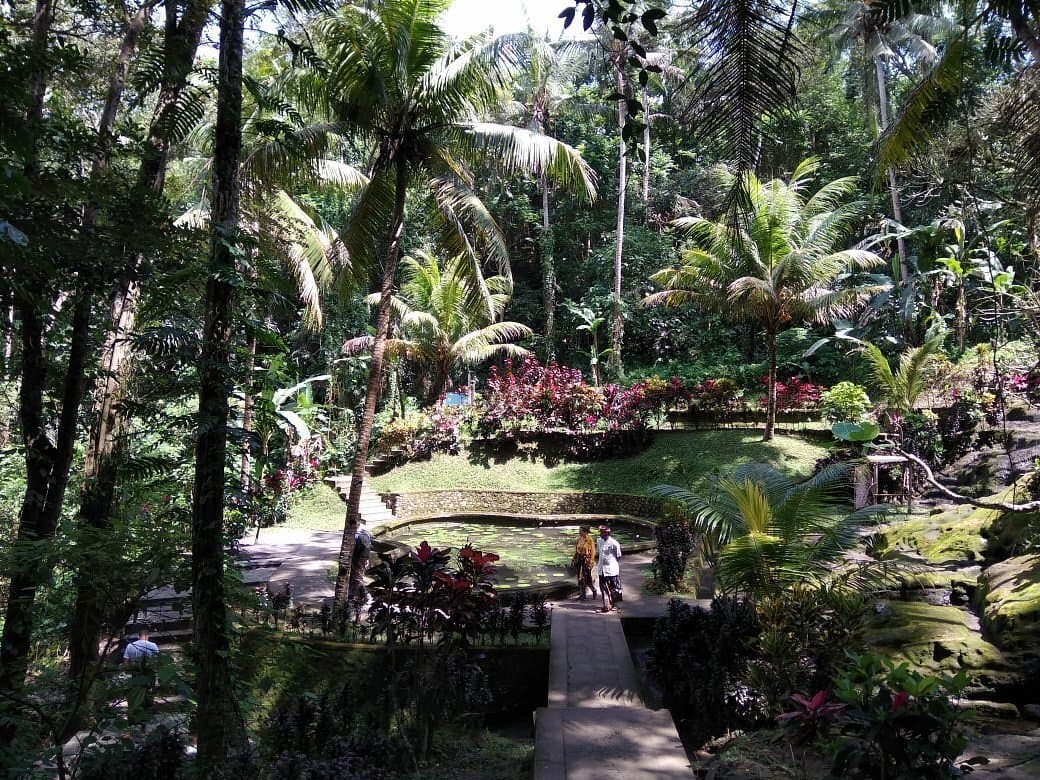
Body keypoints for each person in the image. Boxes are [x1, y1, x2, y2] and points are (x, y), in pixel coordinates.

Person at [596, 525, 622, 613]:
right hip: (601, 569)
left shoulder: (614, 543)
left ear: (607, 533)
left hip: (612, 570)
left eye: (602, 533)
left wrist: (611, 562)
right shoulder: (599, 541)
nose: (600, 534)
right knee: (603, 588)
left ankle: (614, 605)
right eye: (600, 532)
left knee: (614, 588)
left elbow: (618, 556)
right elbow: (599, 553)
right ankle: (606, 605)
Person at [349, 518, 373, 604]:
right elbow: (369, 547)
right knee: (356, 577)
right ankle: (352, 595)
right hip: (364, 558)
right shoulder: (366, 533)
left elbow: (353, 549)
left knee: (357, 577)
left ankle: (366, 595)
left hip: (357, 559)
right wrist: (367, 559)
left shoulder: (355, 536)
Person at [572, 525, 598, 601]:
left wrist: (591, 562)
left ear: (585, 531)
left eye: (580, 531)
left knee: (587, 579)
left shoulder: (590, 540)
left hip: (586, 561)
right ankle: (582, 595)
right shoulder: (579, 539)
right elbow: (576, 551)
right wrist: (573, 559)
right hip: (579, 560)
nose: (579, 532)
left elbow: (593, 552)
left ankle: (594, 590)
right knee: (580, 578)